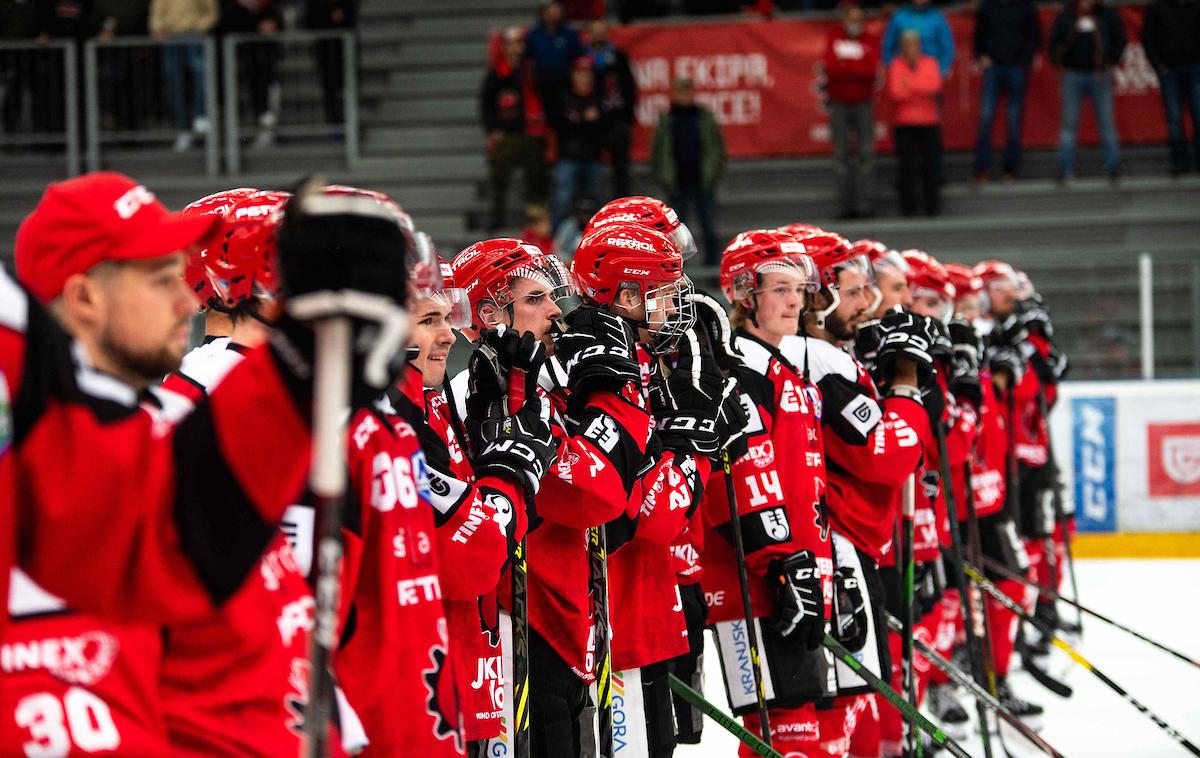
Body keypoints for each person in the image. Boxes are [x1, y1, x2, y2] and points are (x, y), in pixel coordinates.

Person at [708, 229, 833, 755]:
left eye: (797, 288)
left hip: (796, 569)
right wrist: (783, 563)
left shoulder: (783, 366)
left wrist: (821, 567)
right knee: (780, 730)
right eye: (779, 288)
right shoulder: (741, 367)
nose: (794, 300)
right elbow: (736, 475)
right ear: (743, 293)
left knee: (800, 721)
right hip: (758, 578)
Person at [1048, 0, 1127, 184]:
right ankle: (1065, 169)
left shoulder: (1106, 14)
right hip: (1072, 75)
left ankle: (1112, 168)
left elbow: (1120, 39)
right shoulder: (1066, 14)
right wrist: (1059, 63)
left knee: (1107, 124)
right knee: (1069, 125)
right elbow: (1053, 41)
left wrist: (1110, 61)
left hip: (1100, 75)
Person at [651, 77, 725, 265]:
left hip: (702, 181)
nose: (684, 95)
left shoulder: (704, 117)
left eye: (687, 91)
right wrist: (665, 178)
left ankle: (712, 270)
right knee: (676, 233)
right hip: (677, 183)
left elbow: (717, 149)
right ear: (673, 93)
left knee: (709, 227)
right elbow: (658, 152)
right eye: (680, 91)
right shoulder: (667, 118)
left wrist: (711, 175)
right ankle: (678, 272)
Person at [482, 26, 548, 231]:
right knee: (499, 179)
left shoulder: (530, 71)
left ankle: (536, 223)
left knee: (535, 178)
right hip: (507, 135)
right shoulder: (496, 74)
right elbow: (486, 105)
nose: (516, 48)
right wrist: (493, 130)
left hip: (531, 133)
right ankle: (497, 218)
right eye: (512, 44)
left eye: (519, 43)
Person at [972, 0, 1042, 182]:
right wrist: (981, 55)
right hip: (993, 68)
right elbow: (978, 35)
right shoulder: (987, 5)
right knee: (986, 118)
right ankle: (981, 170)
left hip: (1016, 68)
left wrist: (1023, 62)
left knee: (1013, 120)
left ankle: (1010, 170)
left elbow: (1034, 37)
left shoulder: (1025, 6)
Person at [823, 1, 881, 219]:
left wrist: (848, 64)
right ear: (843, 20)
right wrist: (856, 65)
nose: (855, 24)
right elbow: (831, 69)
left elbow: (871, 72)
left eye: (859, 19)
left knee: (866, 153)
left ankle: (865, 205)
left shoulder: (869, 40)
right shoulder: (834, 37)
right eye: (851, 19)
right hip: (839, 103)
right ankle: (845, 206)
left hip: (864, 102)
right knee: (841, 156)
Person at [888, 29, 943, 217]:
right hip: (904, 122)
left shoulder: (930, 62)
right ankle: (908, 208)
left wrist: (909, 84)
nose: (911, 48)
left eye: (914, 44)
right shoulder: (896, 64)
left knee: (930, 165)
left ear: (919, 45)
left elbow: (934, 86)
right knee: (906, 166)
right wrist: (920, 85)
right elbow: (896, 92)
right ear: (902, 47)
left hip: (928, 121)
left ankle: (932, 206)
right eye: (907, 44)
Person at [149, 0, 217, 152]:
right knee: (175, 83)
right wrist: (158, 28)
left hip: (193, 36)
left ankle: (201, 114)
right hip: (171, 37)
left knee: (200, 74)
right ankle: (183, 129)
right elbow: (157, 13)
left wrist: (200, 28)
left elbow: (211, 11)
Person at [1141, 0, 1200, 176]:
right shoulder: (1157, 7)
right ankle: (1179, 162)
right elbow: (1148, 37)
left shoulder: (1196, 5)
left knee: (1198, 114)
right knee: (1174, 118)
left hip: (1195, 66)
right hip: (1169, 69)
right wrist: (1158, 64)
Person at [548, 57, 605, 229]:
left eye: (587, 74)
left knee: (594, 202)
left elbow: (605, 126)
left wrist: (578, 122)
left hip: (593, 156)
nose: (584, 78)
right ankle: (556, 242)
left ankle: (594, 240)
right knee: (562, 200)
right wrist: (585, 122)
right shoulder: (563, 97)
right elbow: (557, 124)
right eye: (580, 73)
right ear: (573, 76)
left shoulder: (599, 98)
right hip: (568, 155)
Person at [218, 0, 282, 149]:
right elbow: (225, 26)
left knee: (268, 97)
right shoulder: (234, 10)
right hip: (241, 62)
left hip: (266, 62)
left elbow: (275, 24)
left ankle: (267, 133)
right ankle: (236, 137)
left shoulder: (269, 8)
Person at [586, 19, 637, 197]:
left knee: (621, 168)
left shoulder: (618, 56)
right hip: (592, 123)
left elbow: (630, 88)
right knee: (591, 168)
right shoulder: (583, 58)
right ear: (589, 34)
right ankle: (591, 209)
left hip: (618, 120)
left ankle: (623, 204)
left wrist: (626, 118)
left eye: (602, 30)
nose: (598, 34)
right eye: (595, 31)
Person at [305, 0, 358, 129]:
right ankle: (335, 123)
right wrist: (327, 16)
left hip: (344, 46)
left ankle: (350, 122)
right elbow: (309, 20)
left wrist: (343, 16)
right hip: (325, 47)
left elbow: (352, 13)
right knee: (329, 86)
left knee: (347, 85)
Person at [525, 0, 585, 107]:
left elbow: (579, 58)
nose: (553, 12)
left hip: (565, 83)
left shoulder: (570, 35)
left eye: (557, 9)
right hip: (542, 83)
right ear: (543, 12)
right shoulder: (534, 35)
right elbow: (527, 56)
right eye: (550, 9)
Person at [881, 0, 955, 78]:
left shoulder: (937, 18)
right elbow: (887, 46)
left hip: (930, 73)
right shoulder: (899, 16)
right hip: (903, 74)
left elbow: (948, 48)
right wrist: (893, 68)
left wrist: (939, 71)